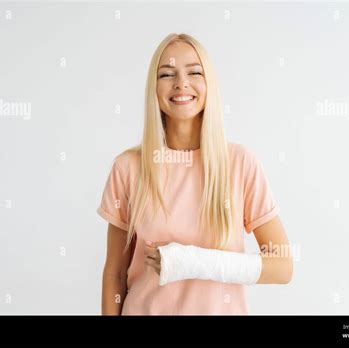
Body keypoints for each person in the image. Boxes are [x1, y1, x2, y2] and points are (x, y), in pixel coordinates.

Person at [97, 33, 293, 315]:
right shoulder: (128, 167)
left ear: (208, 83)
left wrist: (190, 261)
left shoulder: (240, 163)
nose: (181, 83)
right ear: (154, 87)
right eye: (167, 74)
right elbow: (114, 273)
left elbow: (283, 267)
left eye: (194, 72)